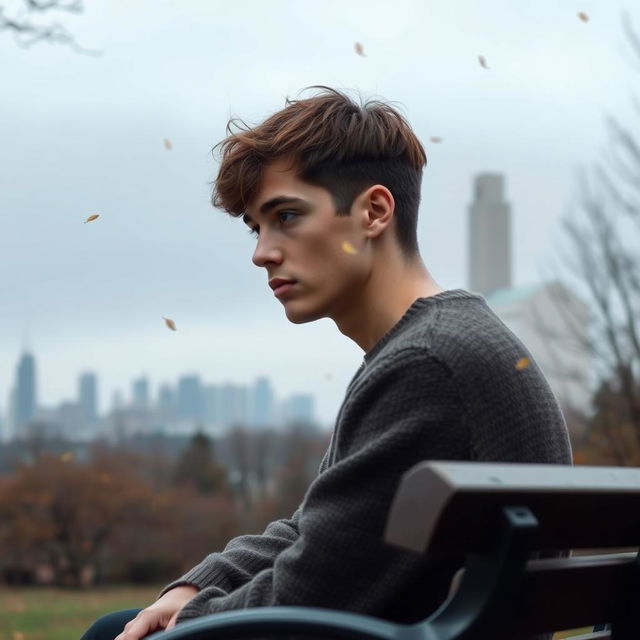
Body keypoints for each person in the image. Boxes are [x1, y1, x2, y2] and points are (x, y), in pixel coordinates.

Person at [82, 86, 572, 640]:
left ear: (374, 212)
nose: (262, 251)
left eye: (287, 216)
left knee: (115, 633)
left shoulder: (426, 364)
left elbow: (306, 594)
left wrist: (186, 624)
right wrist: (197, 585)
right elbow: (321, 532)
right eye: (256, 227)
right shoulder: (445, 340)